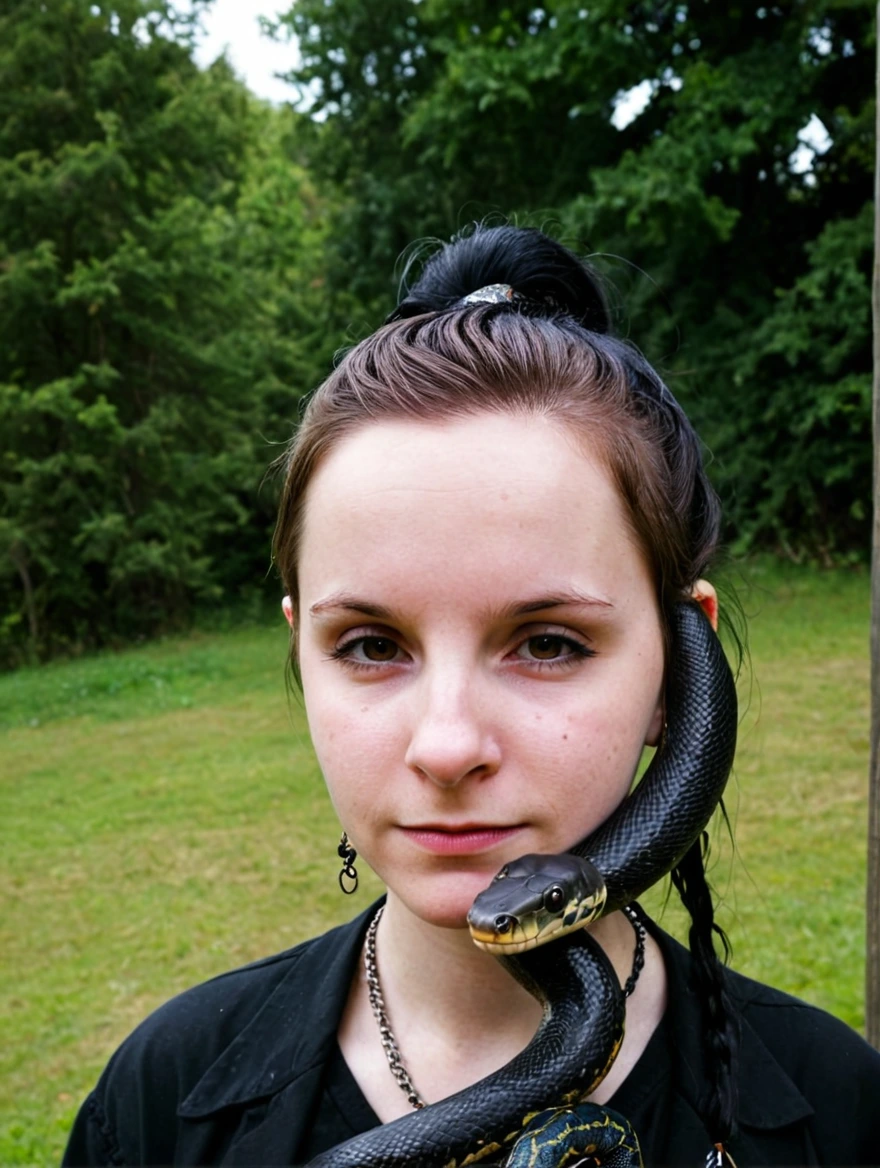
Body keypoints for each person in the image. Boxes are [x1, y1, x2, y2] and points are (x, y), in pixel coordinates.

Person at [63, 226, 880, 1168]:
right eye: (371, 645)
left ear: (677, 671)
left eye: (547, 642)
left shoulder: (840, 1113)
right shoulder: (161, 1106)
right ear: (302, 653)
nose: (447, 748)